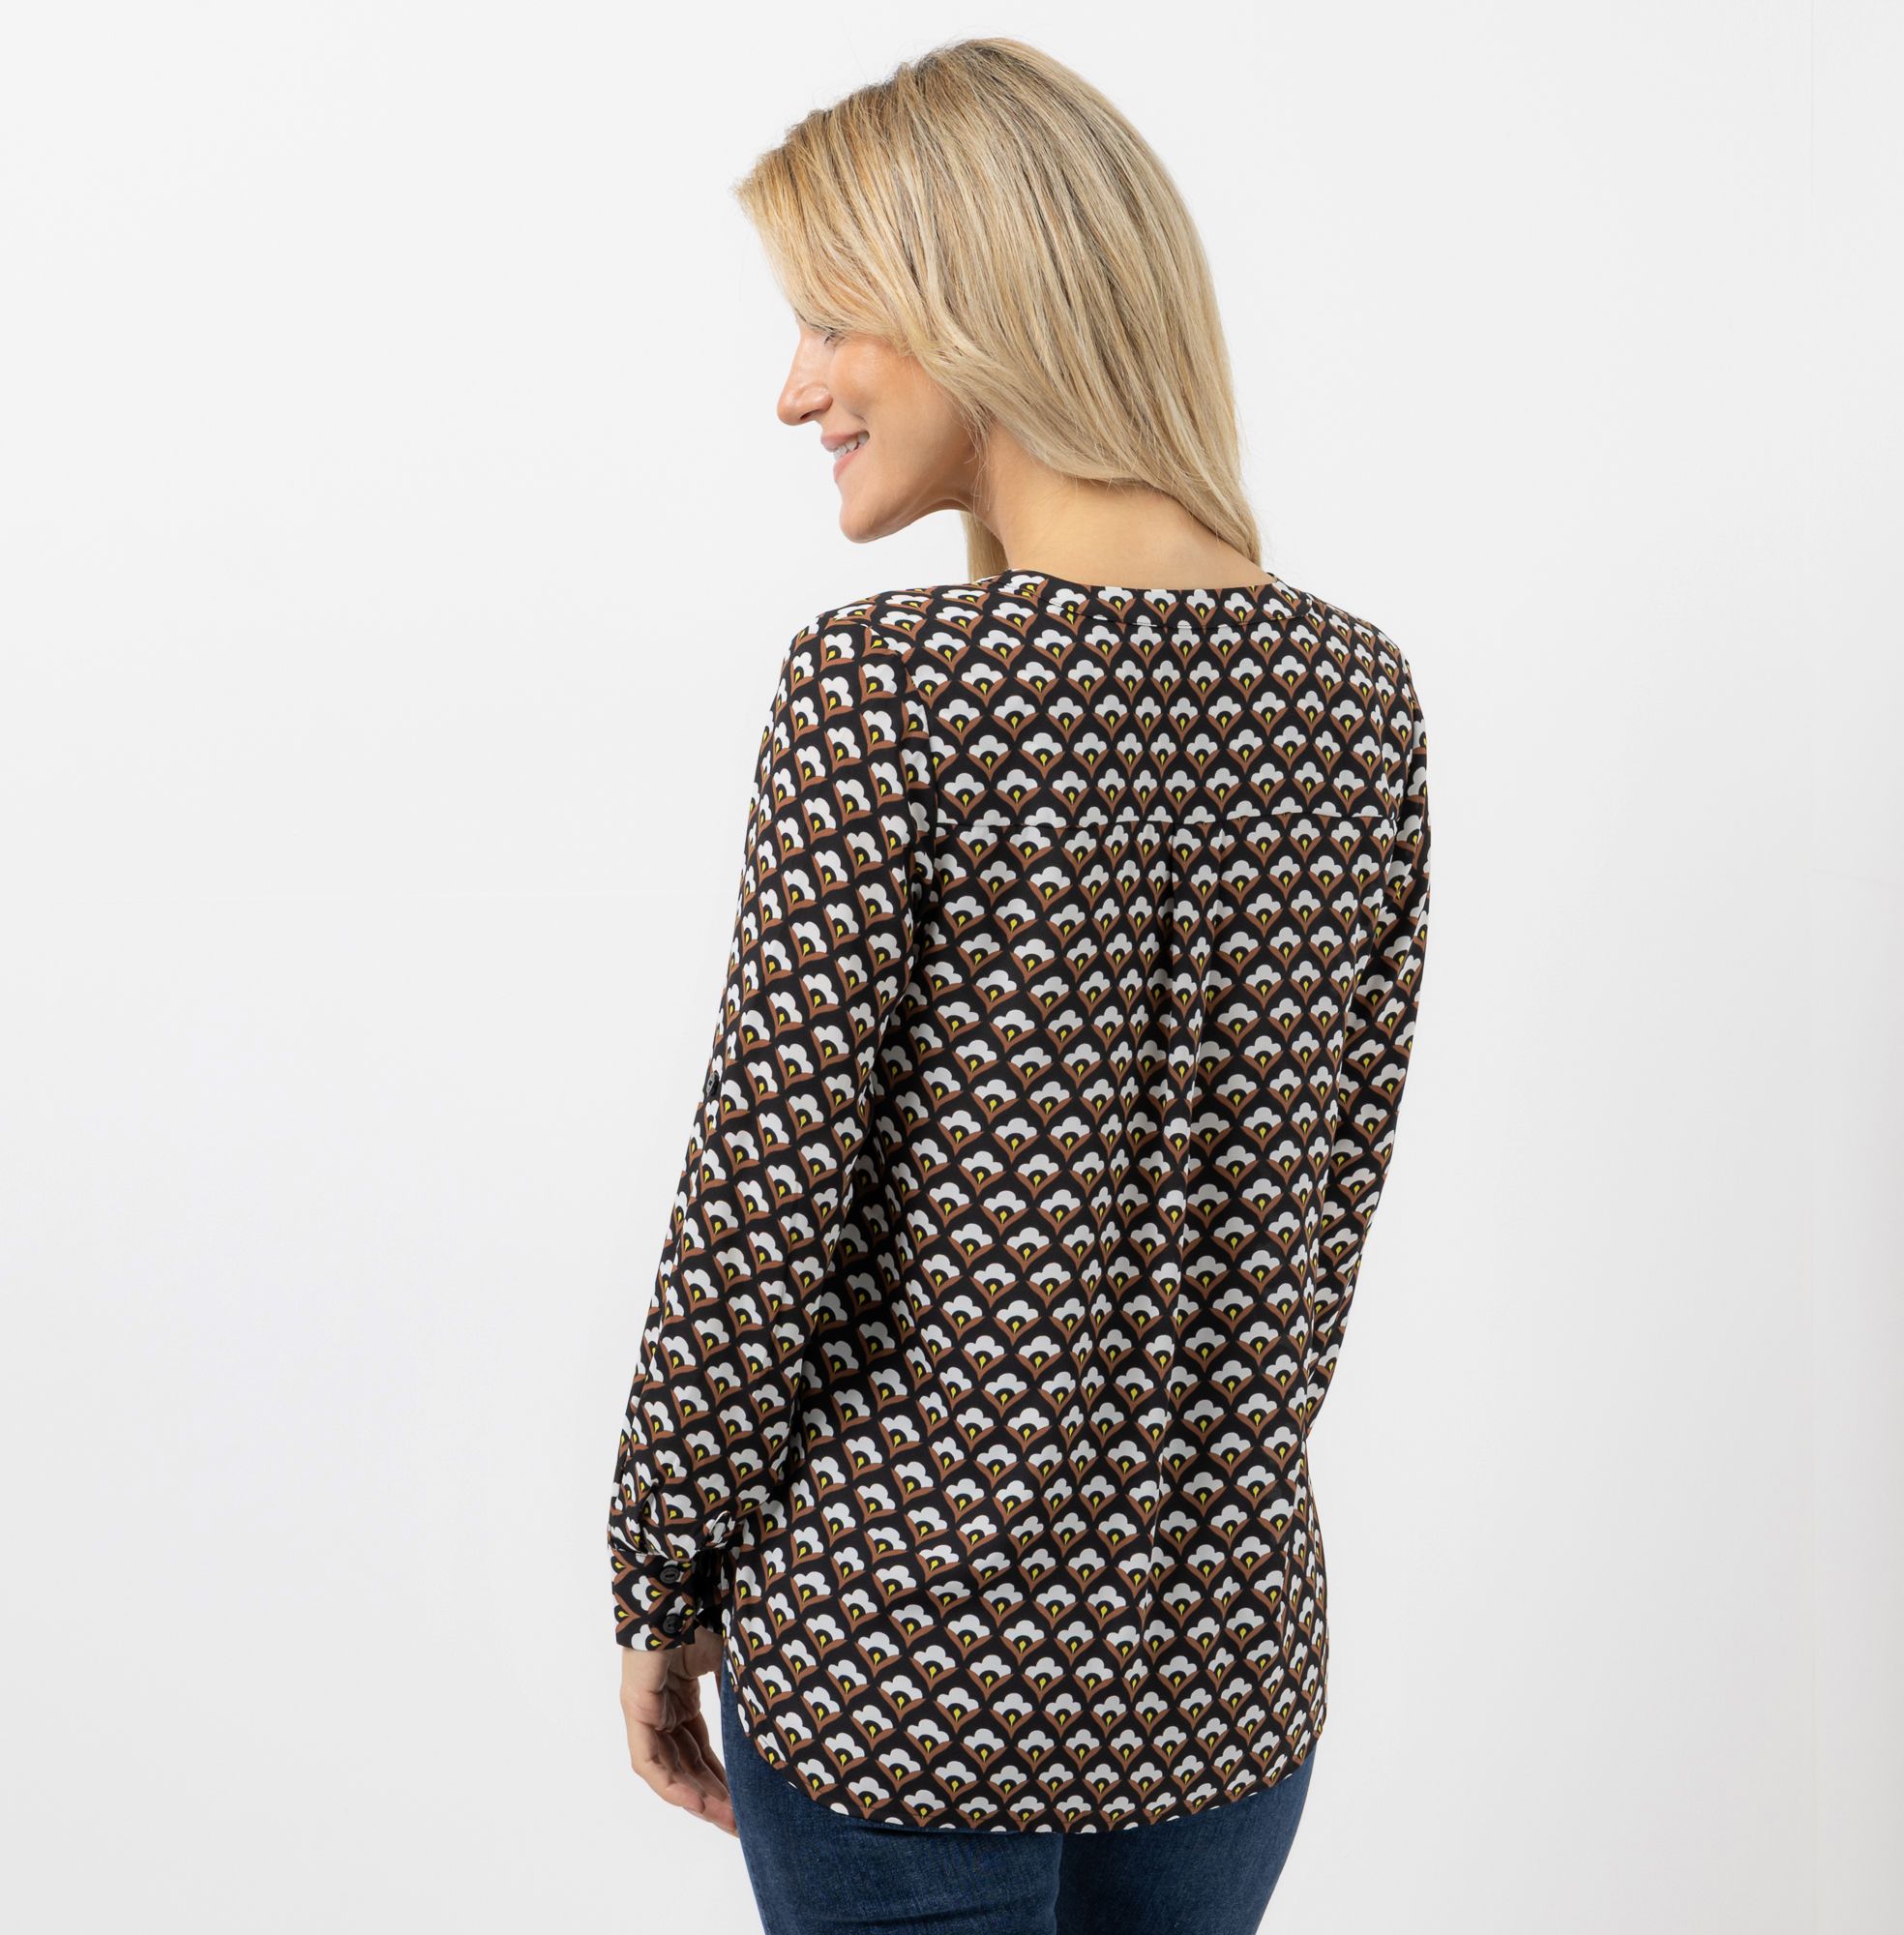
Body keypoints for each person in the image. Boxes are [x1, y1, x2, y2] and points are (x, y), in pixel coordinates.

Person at [605, 35, 1431, 1935]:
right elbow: (1326, 1204)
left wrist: (662, 1578)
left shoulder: (888, 690)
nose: (794, 386)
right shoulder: (1357, 704)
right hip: (1218, 1679)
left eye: (832, 320)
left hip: (902, 1672)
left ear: (980, 298)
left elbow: (765, 1202)